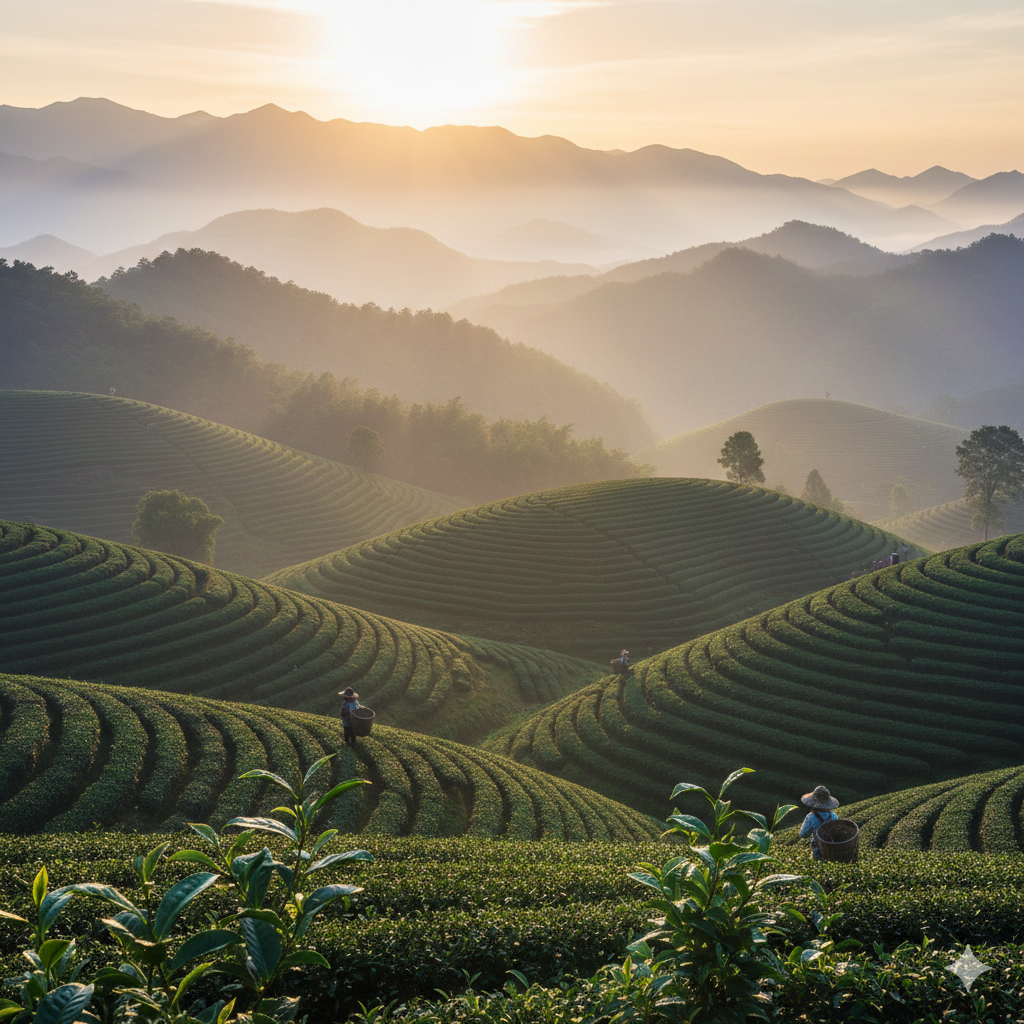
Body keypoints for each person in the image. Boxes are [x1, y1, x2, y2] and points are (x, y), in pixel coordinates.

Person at [799, 785, 839, 860]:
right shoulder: (834, 816)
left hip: (818, 850)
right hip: (833, 849)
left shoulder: (811, 817)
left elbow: (803, 834)